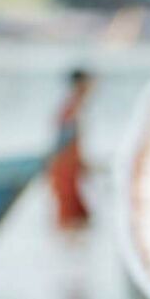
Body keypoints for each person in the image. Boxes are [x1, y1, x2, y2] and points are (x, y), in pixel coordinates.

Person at [48, 68, 92, 227]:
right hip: (65, 169)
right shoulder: (70, 108)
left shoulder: (74, 106)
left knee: (80, 217)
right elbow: (63, 143)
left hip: (69, 168)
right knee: (71, 220)